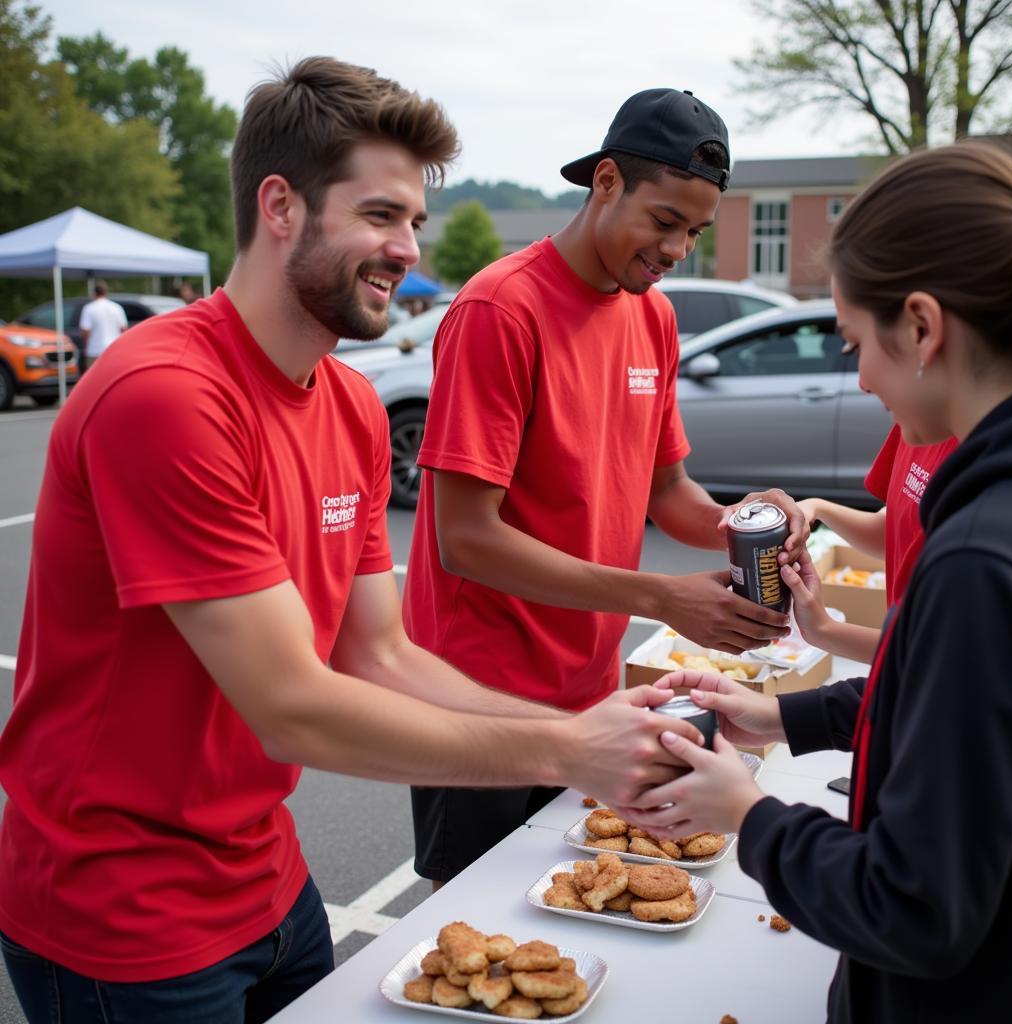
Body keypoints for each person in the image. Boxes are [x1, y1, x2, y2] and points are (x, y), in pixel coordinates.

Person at [0, 59, 704, 1024]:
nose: (407, 249)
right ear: (280, 204)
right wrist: (567, 750)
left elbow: (376, 653)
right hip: (125, 914)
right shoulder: (165, 396)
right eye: (380, 216)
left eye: (413, 221)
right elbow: (292, 705)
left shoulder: (352, 409)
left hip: (268, 878)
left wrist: (585, 734)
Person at [624, 142, 1012, 1023]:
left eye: (855, 344)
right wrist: (780, 716)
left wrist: (750, 814)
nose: (858, 378)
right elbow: (955, 711)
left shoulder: (977, 559)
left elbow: (914, 908)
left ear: (921, 327)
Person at [401, 87, 809, 886]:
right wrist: (659, 597)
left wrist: (751, 518)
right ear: (607, 182)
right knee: (473, 927)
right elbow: (465, 539)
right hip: (476, 690)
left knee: (575, 894)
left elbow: (670, 497)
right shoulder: (500, 309)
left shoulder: (650, 317)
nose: (677, 249)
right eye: (664, 222)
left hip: (588, 687)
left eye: (694, 231)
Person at [794, 427, 957, 662]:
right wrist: (817, 508)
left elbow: (939, 656)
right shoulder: (912, 419)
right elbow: (895, 531)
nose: (864, 388)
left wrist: (823, 630)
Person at [78, 280, 127, 370]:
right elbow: (123, 329)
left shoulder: (89, 308)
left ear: (94, 293)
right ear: (106, 292)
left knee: (93, 380)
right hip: (113, 349)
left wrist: (86, 348)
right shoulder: (116, 308)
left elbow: (85, 331)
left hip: (94, 350)